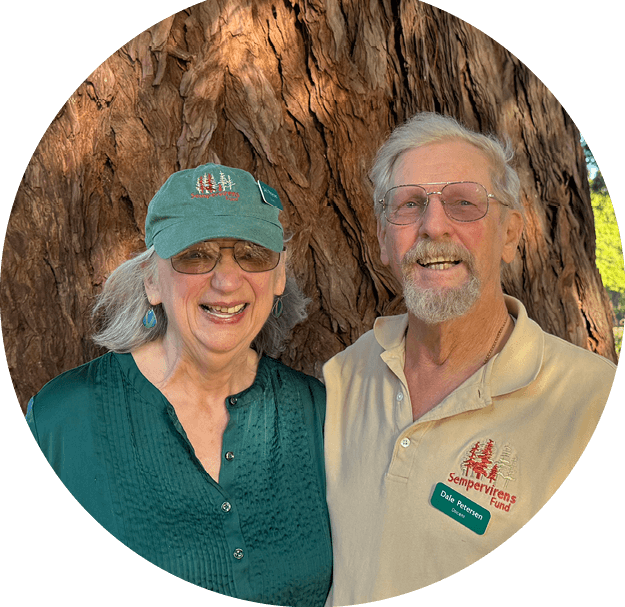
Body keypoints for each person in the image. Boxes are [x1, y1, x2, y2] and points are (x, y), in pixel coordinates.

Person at [323, 112, 616, 604]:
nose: (433, 225)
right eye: (409, 204)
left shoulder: (588, 400)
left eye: (463, 203)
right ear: (382, 240)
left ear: (510, 234)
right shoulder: (347, 375)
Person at [25, 163, 332, 606]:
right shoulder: (63, 422)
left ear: (278, 276)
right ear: (151, 281)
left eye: (252, 252)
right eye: (195, 254)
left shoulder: (316, 414)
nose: (227, 281)